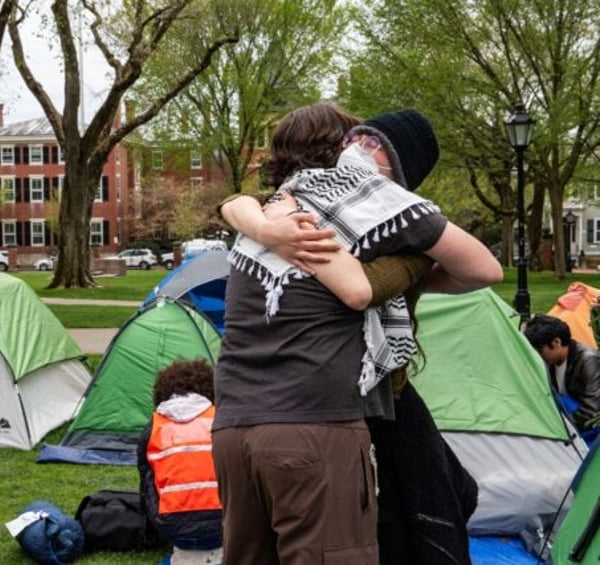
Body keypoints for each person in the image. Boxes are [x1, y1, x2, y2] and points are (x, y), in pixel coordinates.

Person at [213, 103, 501, 564]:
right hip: (318, 424)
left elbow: (233, 203)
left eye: (374, 144)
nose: (358, 150)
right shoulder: (318, 212)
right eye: (355, 138)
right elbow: (356, 288)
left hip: (236, 424)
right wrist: (416, 262)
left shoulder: (278, 211)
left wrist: (263, 223)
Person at [137, 359, 223, 565]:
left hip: (173, 527)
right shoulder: (219, 420)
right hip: (226, 524)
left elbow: (146, 487)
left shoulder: (153, 427)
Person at [524, 314, 600, 435]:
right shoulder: (550, 362)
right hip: (568, 420)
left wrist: (558, 427)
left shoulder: (588, 360)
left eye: (539, 350)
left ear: (556, 342)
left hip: (590, 428)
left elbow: (592, 411)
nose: (537, 355)